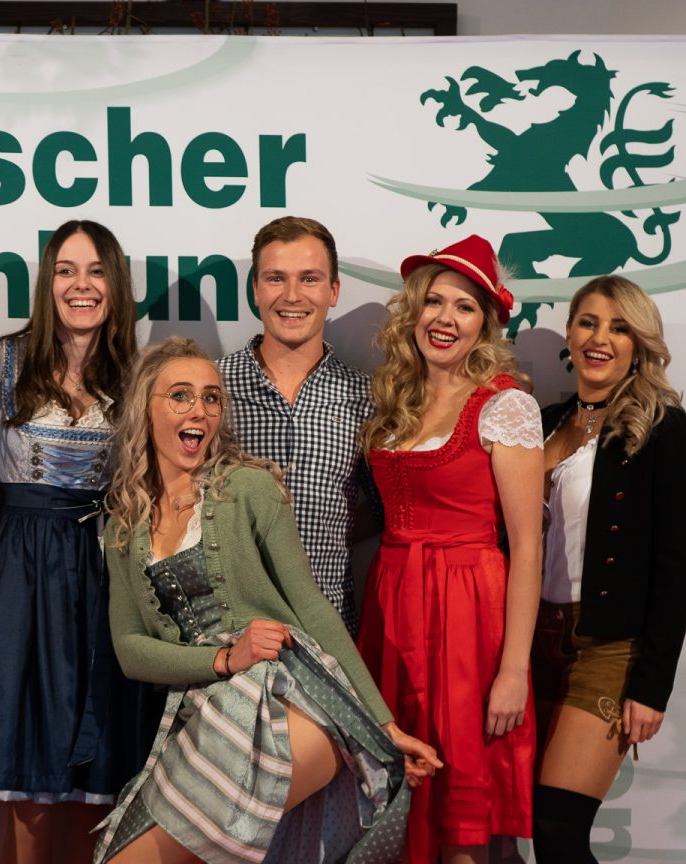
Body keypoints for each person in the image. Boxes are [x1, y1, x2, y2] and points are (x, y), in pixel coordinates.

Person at [95, 337, 441, 864]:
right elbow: (130, 648)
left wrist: (383, 723)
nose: (199, 410)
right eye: (180, 395)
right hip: (209, 711)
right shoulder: (125, 521)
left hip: (291, 701)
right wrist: (223, 659)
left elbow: (311, 605)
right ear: (146, 408)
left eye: (211, 397)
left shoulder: (249, 487)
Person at [0, 219, 159, 864]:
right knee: (28, 727)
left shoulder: (135, 372)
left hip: (103, 560)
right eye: (66, 271)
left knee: (99, 738)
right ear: (47, 283)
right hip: (20, 563)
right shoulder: (3, 359)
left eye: (96, 271)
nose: (82, 285)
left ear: (116, 283)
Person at [355, 235, 544, 863]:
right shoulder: (397, 402)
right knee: (398, 808)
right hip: (394, 611)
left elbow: (527, 546)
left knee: (462, 827)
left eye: (465, 307)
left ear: (485, 323)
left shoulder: (505, 405)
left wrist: (513, 670)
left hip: (468, 622)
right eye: (434, 302)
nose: (445, 318)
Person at [530, 276, 686, 862]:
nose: (600, 338)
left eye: (619, 327)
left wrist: (652, 687)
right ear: (570, 333)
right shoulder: (544, 421)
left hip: (607, 649)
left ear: (639, 343)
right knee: (525, 824)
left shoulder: (663, 429)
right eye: (588, 322)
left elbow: (676, 568)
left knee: (559, 831)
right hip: (529, 642)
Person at [218, 216, 374, 632]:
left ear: (333, 291)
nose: (292, 296)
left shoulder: (366, 397)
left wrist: (329, 526)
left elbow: (384, 511)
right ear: (255, 289)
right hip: (231, 633)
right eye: (276, 278)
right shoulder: (212, 388)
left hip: (331, 631)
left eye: (309, 279)